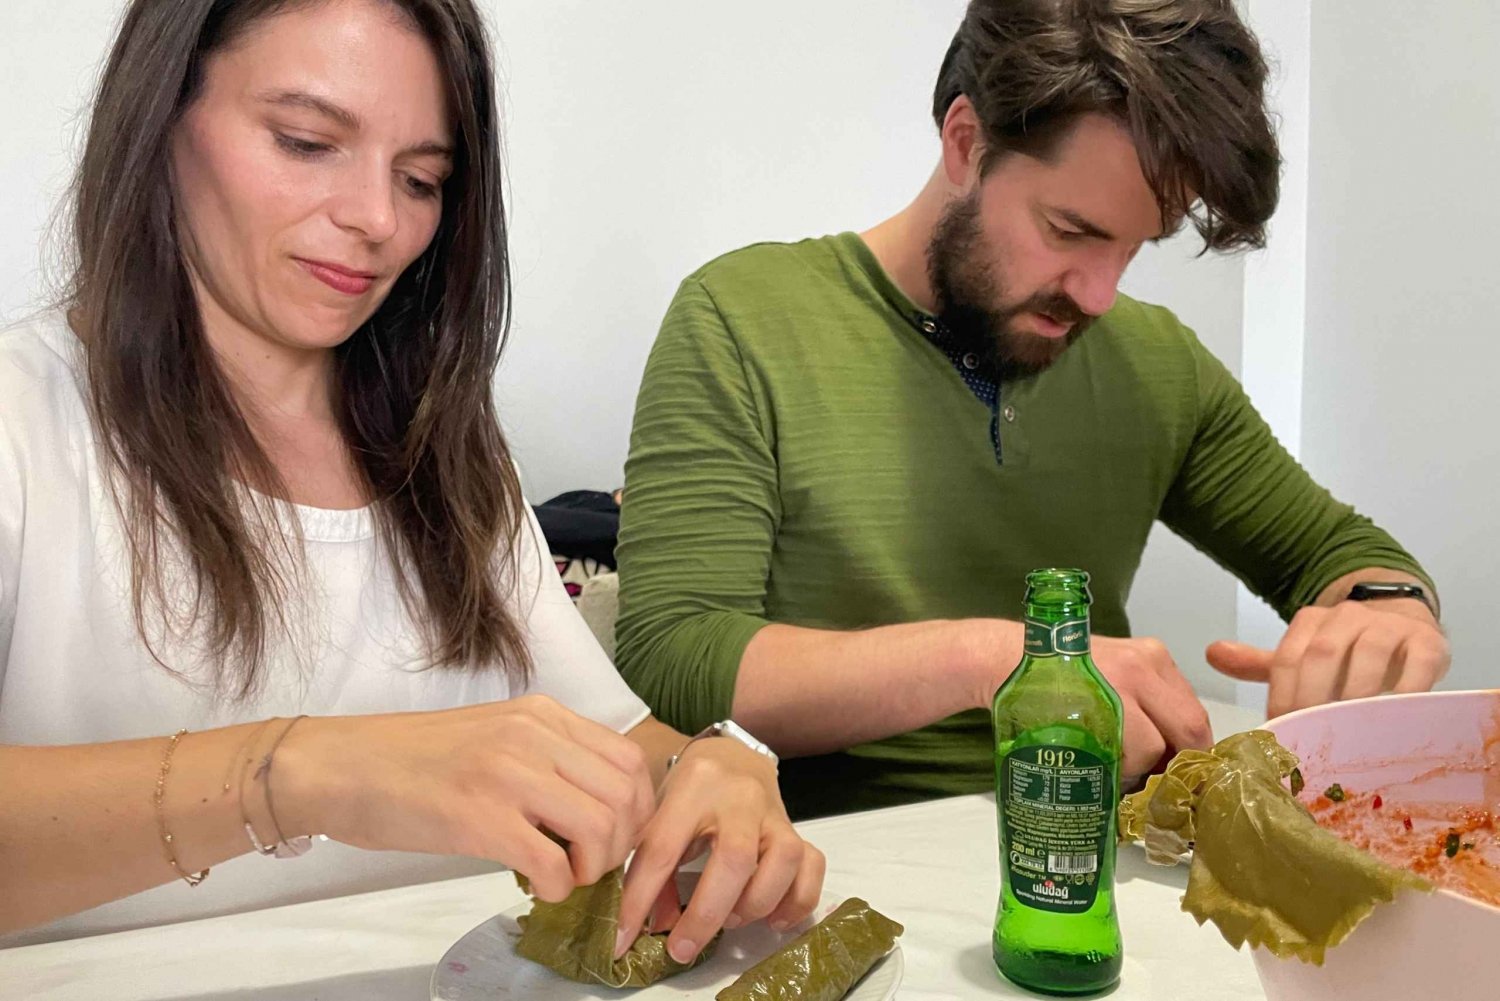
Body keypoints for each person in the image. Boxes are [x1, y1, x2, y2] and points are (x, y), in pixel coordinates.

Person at [0, 0, 822, 957]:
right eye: (307, 143)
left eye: (422, 179)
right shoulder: (25, 426)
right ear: (161, 116)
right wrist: (300, 773)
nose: (378, 220)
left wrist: (713, 769)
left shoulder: (441, 446)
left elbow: (609, 738)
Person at [613, 0, 1450, 820]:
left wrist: (1388, 610)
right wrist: (1002, 659)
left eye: (1136, 246)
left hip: (1098, 851)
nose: (1100, 293)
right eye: (1070, 231)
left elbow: (1344, 555)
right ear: (966, 142)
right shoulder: (743, 318)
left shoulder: (1158, 362)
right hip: (834, 861)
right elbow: (675, 656)